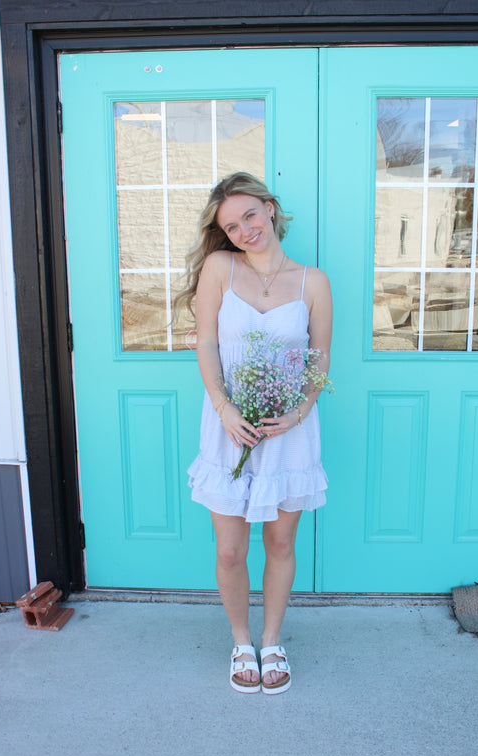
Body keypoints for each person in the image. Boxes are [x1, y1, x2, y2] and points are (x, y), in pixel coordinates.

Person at [178, 172, 332, 694]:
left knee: (281, 540)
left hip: (288, 430)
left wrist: (298, 413)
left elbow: (319, 361)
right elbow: (205, 345)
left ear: (269, 209)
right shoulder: (221, 268)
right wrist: (223, 408)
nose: (244, 229)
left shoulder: (314, 282)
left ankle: (271, 641)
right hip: (229, 428)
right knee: (229, 550)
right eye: (231, 225)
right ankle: (241, 640)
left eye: (249, 215)